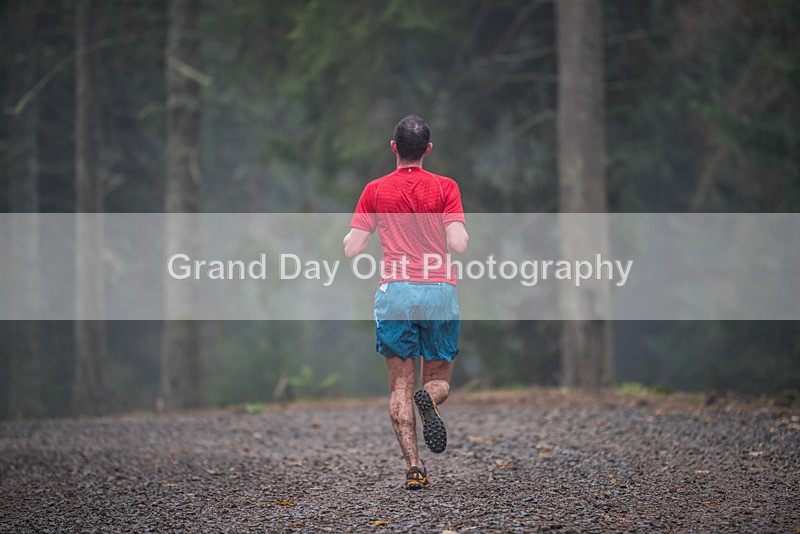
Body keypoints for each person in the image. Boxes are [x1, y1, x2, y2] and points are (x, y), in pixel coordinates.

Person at [343, 115, 468, 490]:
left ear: (393, 147)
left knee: (399, 385)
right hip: (438, 291)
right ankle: (428, 399)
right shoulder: (446, 187)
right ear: (428, 149)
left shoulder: (374, 190)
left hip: (395, 292)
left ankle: (414, 467)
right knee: (438, 380)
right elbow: (459, 244)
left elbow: (353, 248)